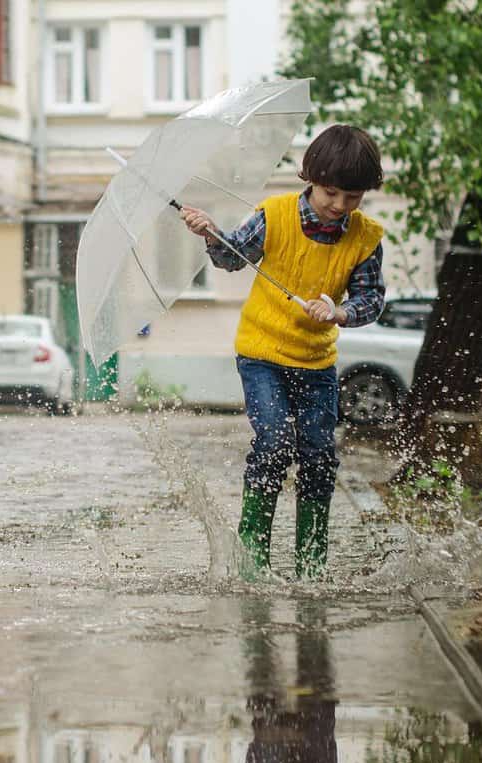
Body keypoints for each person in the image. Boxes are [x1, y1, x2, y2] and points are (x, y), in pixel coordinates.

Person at [179, 124, 386, 579]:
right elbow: (232, 257)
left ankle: (311, 565)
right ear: (310, 178)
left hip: (317, 363)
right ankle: (253, 562)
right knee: (272, 444)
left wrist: (341, 312)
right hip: (262, 355)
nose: (340, 206)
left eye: (353, 197)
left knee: (318, 455)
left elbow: (372, 300)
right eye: (331, 193)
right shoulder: (273, 216)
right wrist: (211, 232)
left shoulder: (366, 237)